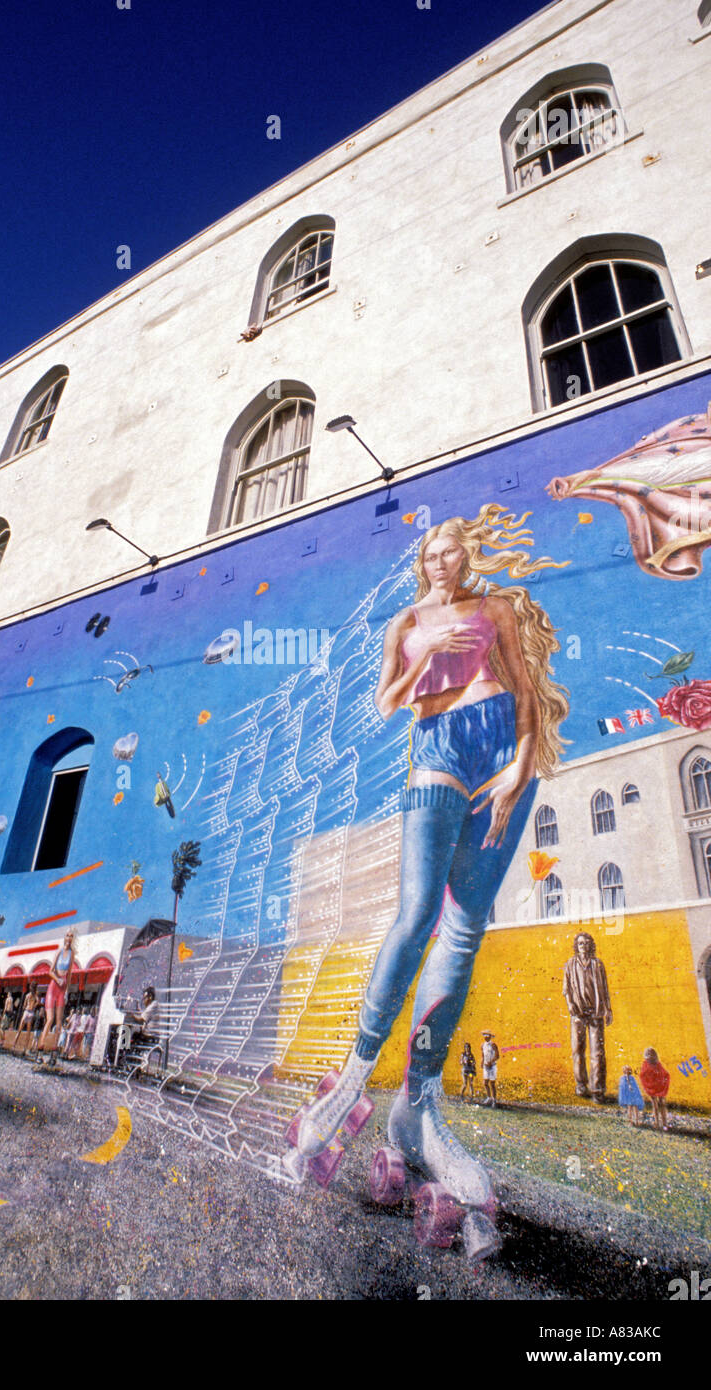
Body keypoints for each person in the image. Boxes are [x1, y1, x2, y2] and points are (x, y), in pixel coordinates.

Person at [283, 505, 570, 1262]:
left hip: (500, 751)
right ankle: (355, 1073)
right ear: (423, 563)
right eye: (434, 553)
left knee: (465, 927)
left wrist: (518, 769)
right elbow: (387, 702)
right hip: (437, 749)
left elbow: (528, 689)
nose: (445, 561)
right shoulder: (406, 620)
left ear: (465, 558)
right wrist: (423, 655)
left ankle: (419, 1101)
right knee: (416, 916)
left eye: (454, 551)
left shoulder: (496, 608)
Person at [563, 932, 612, 1103]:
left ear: (591, 945)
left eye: (586, 943)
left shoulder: (598, 964)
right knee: (578, 1050)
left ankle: (597, 1089)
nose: (583, 946)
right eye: (580, 943)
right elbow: (566, 988)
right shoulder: (570, 964)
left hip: (595, 1012)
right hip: (577, 1013)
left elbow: (605, 989)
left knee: (597, 1053)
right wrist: (570, 1004)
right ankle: (581, 1084)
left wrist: (608, 1009)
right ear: (576, 946)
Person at [34, 929, 80, 1068]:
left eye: (71, 936)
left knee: (59, 1023)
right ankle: (40, 1052)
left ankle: (54, 1054)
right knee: (50, 1020)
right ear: (64, 937)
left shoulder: (72, 954)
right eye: (67, 935)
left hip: (62, 989)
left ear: (73, 938)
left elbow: (70, 974)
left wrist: (67, 991)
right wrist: (58, 980)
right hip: (53, 987)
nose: (69, 938)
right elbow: (50, 971)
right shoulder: (59, 952)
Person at [639, 1048, 670, 1131]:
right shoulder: (645, 1064)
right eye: (648, 1054)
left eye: (651, 1054)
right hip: (652, 1087)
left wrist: (664, 1078)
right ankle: (657, 1122)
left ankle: (664, 1123)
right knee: (655, 1105)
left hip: (659, 1086)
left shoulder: (657, 1064)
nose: (650, 1056)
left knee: (662, 1104)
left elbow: (664, 1073)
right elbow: (642, 1075)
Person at [15, 986, 40, 1054]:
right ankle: (23, 1048)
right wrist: (33, 1005)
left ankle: (15, 1045)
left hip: (27, 1011)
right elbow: (38, 1001)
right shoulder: (34, 995)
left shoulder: (29, 995)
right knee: (27, 1031)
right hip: (30, 1012)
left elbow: (24, 1004)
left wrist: (28, 1006)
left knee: (21, 1029)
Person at [480, 1032, 499, 1107]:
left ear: (490, 1037)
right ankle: (489, 1097)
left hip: (492, 1066)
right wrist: (482, 1062)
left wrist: (491, 1062)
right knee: (485, 1083)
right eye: (484, 1036)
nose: (486, 1037)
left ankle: (494, 1100)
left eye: (487, 1036)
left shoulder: (493, 1045)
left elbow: (497, 1056)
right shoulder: (482, 1045)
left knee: (492, 1084)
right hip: (486, 1066)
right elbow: (483, 1055)